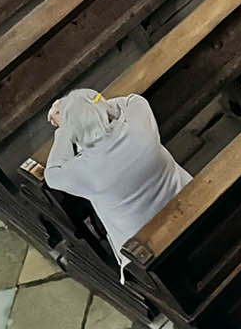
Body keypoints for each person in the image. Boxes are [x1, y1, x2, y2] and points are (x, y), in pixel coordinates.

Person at [44, 89, 191, 266]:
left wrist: (64, 128)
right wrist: (93, 105)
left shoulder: (84, 169)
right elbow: (132, 100)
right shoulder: (139, 125)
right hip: (192, 206)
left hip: (148, 250)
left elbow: (52, 173)